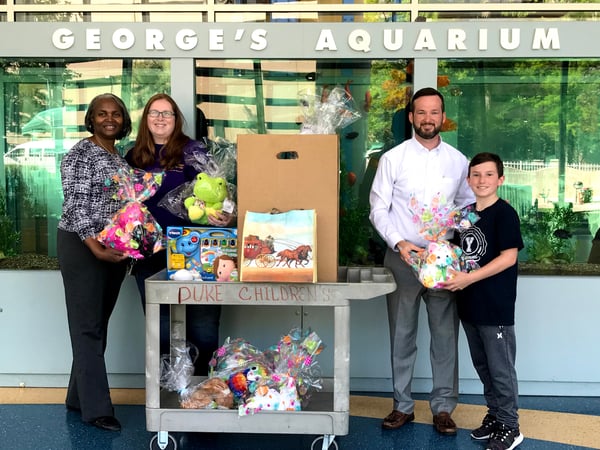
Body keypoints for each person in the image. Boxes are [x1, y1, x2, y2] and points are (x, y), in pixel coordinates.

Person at [369, 87, 475, 435]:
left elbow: (467, 207)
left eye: (435, 113)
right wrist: (398, 242)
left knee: (445, 336)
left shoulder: (458, 161)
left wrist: (455, 232)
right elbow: (378, 209)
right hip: (402, 256)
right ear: (411, 117)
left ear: (443, 117)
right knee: (402, 334)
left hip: (443, 260)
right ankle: (402, 406)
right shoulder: (393, 159)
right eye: (421, 113)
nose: (428, 119)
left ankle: (443, 408)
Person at [125, 93, 233, 375]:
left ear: (177, 120)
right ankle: (166, 388)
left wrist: (224, 213)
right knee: (159, 323)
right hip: (149, 251)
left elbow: (219, 192)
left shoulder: (193, 151)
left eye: (167, 113)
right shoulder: (133, 155)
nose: (160, 118)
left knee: (203, 323)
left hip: (195, 252)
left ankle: (204, 385)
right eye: (154, 113)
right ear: (146, 118)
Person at [57, 93, 133, 432]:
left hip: (112, 248)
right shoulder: (80, 155)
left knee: (96, 324)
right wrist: (95, 246)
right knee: (87, 327)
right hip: (82, 245)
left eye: (116, 114)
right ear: (91, 119)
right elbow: (75, 207)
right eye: (102, 114)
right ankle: (97, 409)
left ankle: (77, 397)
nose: (109, 119)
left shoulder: (120, 158)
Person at [442, 152, 524, 450]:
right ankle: (496, 416)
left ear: (500, 179)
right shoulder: (465, 215)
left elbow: (508, 257)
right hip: (470, 306)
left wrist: (468, 279)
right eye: (476, 174)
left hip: (495, 306)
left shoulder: (505, 214)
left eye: (489, 174)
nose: (482, 180)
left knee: (501, 369)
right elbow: (453, 253)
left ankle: (511, 426)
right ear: (468, 179)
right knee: (483, 366)